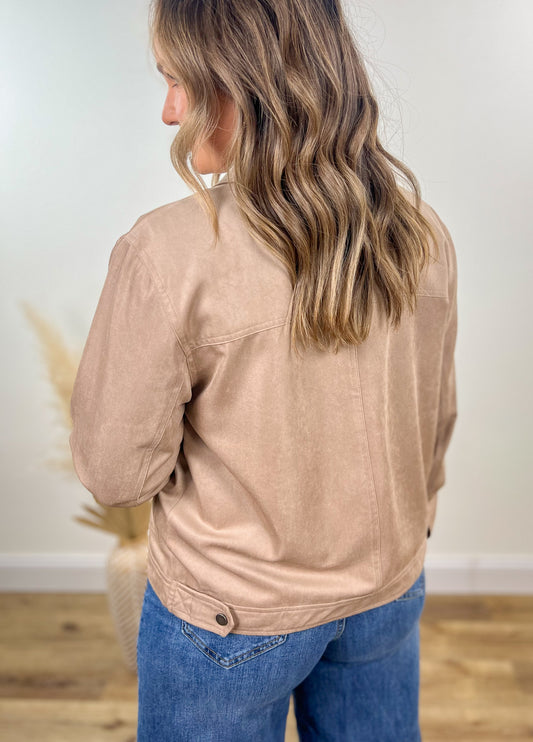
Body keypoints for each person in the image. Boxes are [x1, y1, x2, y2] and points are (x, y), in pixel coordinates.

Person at [68, 0, 458, 740]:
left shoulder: (167, 252)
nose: (168, 112)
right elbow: (432, 421)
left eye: (178, 81)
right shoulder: (422, 232)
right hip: (385, 594)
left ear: (240, 81)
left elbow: (115, 474)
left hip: (230, 616)